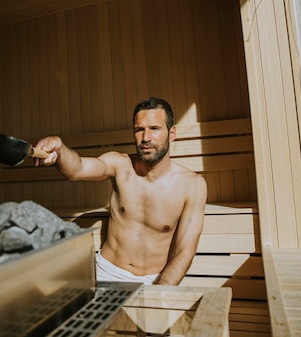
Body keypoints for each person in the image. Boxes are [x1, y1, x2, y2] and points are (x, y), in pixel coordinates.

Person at [34, 97, 207, 285]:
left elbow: (184, 252)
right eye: (139, 130)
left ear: (171, 133)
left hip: (154, 280)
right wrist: (59, 148)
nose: (146, 138)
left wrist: (159, 292)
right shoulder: (119, 164)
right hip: (106, 273)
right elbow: (78, 169)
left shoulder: (193, 185)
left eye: (154, 129)